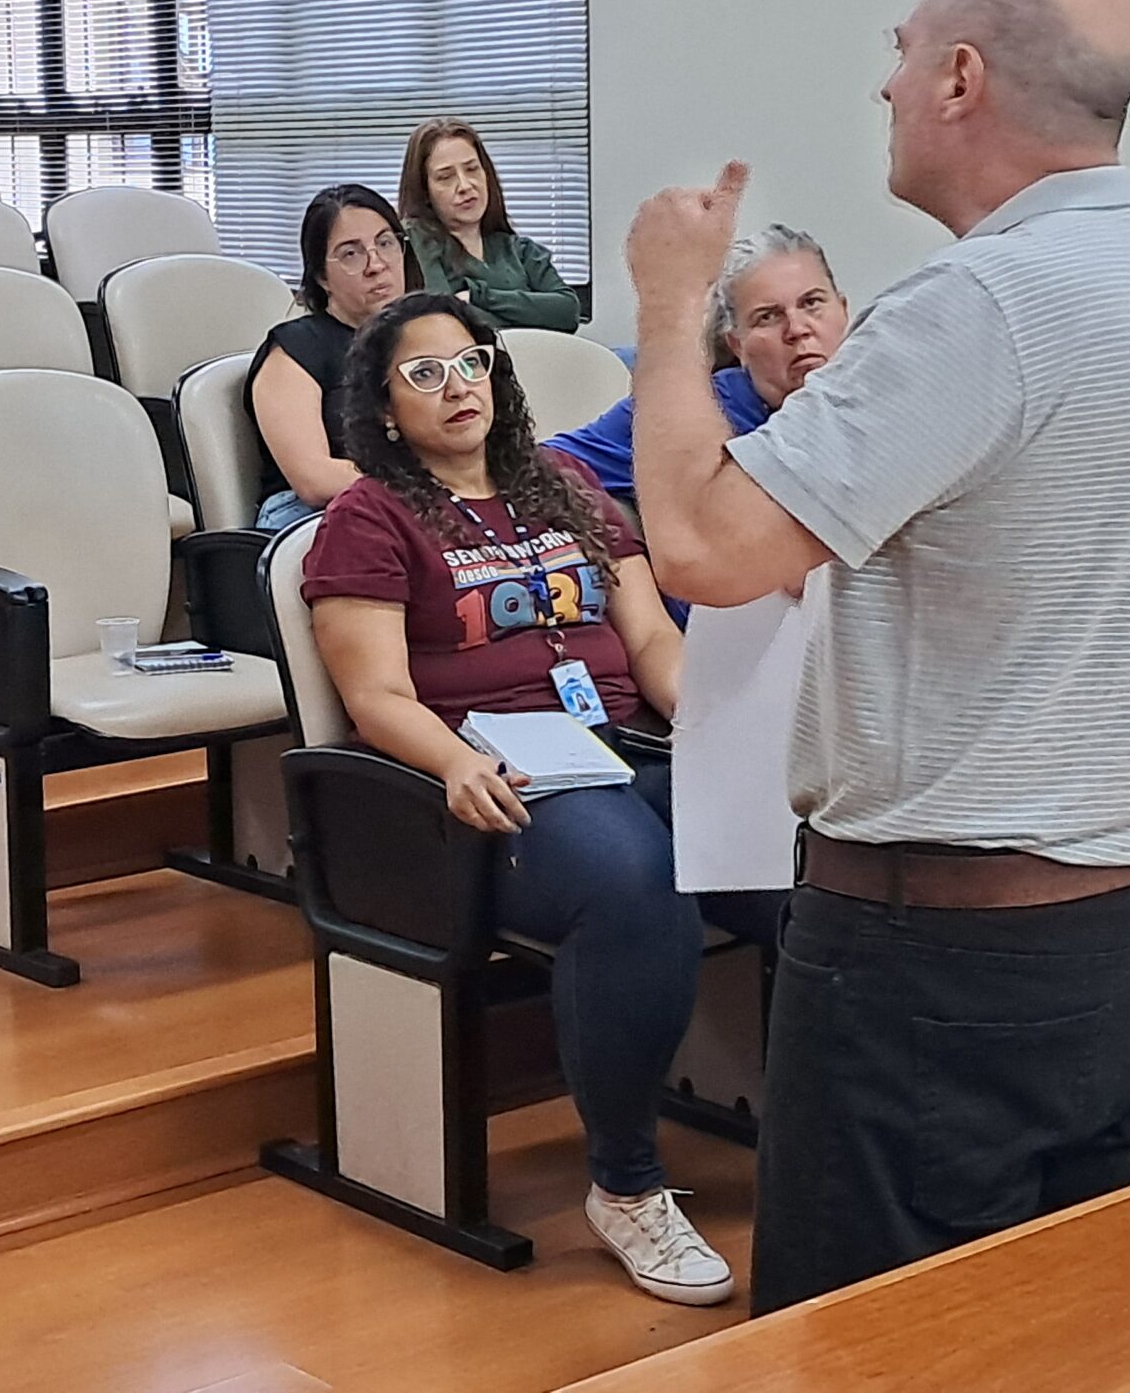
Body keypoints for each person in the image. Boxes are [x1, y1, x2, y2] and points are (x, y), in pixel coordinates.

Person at [623, 0, 1130, 1313]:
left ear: (961, 79)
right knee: (1060, 1334)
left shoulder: (981, 302)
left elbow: (701, 548)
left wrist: (671, 305)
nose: (887, 86)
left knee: (873, 1345)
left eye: (903, 52)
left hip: (945, 966)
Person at [302, 291, 783, 1305]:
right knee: (636, 885)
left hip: (625, 743)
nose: (457, 386)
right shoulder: (368, 516)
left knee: (793, 863)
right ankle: (627, 1185)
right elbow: (375, 694)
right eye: (424, 373)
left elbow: (649, 638)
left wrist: (717, 725)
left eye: (470, 362)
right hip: (499, 778)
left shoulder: (565, 484)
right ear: (384, 407)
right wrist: (453, 763)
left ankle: (822, 1126)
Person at [549, 224, 848, 503]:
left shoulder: (862, 397)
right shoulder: (707, 412)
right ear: (737, 345)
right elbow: (543, 468)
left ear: (844, 311)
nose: (797, 329)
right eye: (768, 317)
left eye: (812, 303)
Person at [247, 184, 413, 530]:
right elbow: (313, 479)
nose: (376, 265)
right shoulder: (296, 348)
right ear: (322, 276)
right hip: (312, 515)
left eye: (385, 243)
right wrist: (429, 481)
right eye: (351, 254)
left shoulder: (422, 337)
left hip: (411, 502)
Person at [399, 118, 580, 331]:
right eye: (446, 177)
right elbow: (446, 322)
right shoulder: (416, 240)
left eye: (472, 169)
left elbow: (567, 312)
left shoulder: (521, 251)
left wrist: (479, 296)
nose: (465, 185)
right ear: (424, 190)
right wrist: (529, 315)